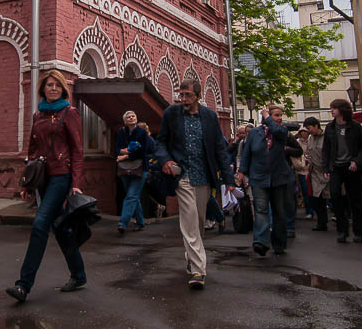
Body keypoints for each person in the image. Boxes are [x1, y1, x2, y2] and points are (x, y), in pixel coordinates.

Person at [6, 70, 86, 302]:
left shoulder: (69, 113)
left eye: (57, 86)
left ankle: (23, 285)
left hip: (62, 175)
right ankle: (79, 274)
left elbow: (78, 150)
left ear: (63, 89)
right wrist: (28, 184)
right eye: (49, 85)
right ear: (43, 89)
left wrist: (77, 183)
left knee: (40, 223)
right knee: (60, 227)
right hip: (43, 177)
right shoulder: (38, 115)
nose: (53, 89)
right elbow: (32, 151)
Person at [155, 79, 235, 289]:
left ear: (198, 96)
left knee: (198, 222)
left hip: (205, 177)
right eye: (181, 95)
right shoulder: (172, 114)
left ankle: (192, 257)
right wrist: (166, 160)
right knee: (189, 220)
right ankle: (199, 271)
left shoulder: (209, 116)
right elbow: (160, 141)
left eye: (188, 95)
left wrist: (229, 180)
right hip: (183, 176)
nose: (183, 99)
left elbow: (219, 148)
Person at [236, 105, 302, 256]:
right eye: (276, 115)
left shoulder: (281, 131)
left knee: (279, 211)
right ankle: (261, 242)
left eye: (280, 115)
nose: (280, 118)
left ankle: (279, 243)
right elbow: (247, 154)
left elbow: (279, 132)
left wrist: (268, 118)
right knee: (261, 209)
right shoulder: (254, 133)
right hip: (258, 177)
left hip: (278, 178)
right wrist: (242, 172)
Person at [322, 98, 362, 244]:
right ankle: (342, 230)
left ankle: (360, 232)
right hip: (336, 167)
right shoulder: (330, 127)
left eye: (333, 108)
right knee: (335, 196)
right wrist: (326, 167)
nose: (331, 111)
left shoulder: (354, 127)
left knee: (355, 199)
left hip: (351, 166)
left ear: (341, 110)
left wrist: (356, 161)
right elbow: (326, 149)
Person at [113, 110, 150, 234]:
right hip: (125, 168)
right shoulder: (121, 132)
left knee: (131, 196)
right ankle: (140, 222)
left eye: (133, 116)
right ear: (125, 121)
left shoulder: (142, 132)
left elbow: (142, 151)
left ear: (136, 118)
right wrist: (127, 151)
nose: (131, 118)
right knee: (133, 197)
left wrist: (125, 156)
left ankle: (123, 223)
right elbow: (117, 148)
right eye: (128, 117)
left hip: (140, 168)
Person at [299, 117, 331, 231]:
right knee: (317, 199)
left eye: (309, 128)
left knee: (333, 197)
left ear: (316, 126)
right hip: (315, 172)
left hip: (327, 171)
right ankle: (322, 223)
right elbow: (308, 152)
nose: (308, 131)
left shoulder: (327, 137)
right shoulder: (311, 139)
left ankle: (342, 220)